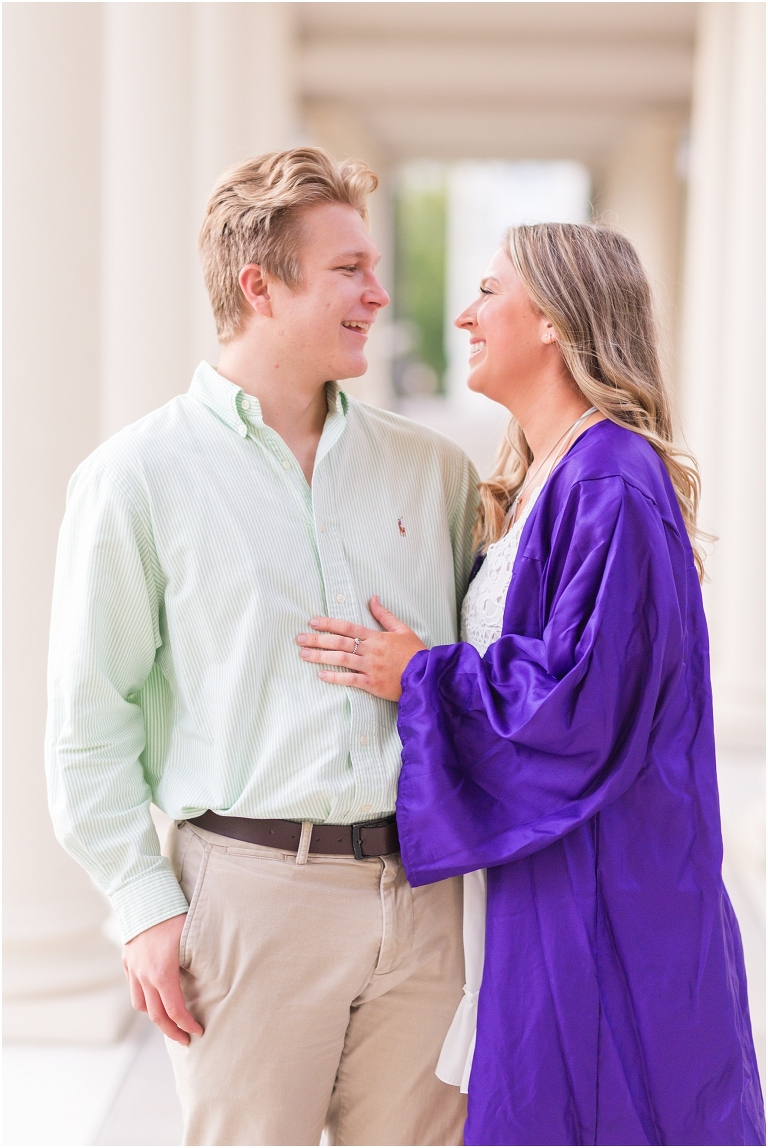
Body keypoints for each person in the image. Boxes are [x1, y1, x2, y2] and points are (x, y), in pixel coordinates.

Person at [295, 222, 765, 1146]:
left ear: (553, 319)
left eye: (487, 291)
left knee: (596, 1102)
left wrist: (423, 676)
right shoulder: (550, 476)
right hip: (557, 861)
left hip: (608, 876)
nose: (465, 314)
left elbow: (580, 701)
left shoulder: (613, 481)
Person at [46, 147, 479, 1147]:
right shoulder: (135, 477)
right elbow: (87, 717)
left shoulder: (434, 472)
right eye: (349, 271)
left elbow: (489, 673)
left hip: (421, 896)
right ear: (260, 285)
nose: (380, 293)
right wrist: (143, 906)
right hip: (246, 898)